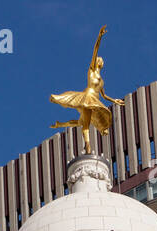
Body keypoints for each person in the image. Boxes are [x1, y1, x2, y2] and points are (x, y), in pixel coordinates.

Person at [50, 25, 124, 154]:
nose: (100, 60)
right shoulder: (91, 71)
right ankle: (88, 146)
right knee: (86, 123)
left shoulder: (101, 81)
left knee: (83, 121)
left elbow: (104, 96)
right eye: (99, 59)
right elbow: (95, 50)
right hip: (87, 97)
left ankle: (61, 124)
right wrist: (100, 36)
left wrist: (115, 100)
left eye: (100, 60)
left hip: (95, 100)